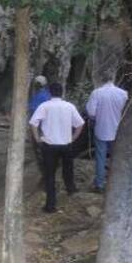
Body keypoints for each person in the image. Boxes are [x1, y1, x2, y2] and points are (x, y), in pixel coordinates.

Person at [29, 83, 85, 213]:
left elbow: (33, 123)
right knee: (68, 169)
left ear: (49, 92)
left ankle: (50, 205)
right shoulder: (69, 106)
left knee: (50, 175)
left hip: (49, 145)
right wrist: (73, 138)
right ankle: (71, 189)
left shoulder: (45, 106)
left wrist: (37, 138)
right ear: (62, 92)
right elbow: (80, 124)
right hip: (66, 144)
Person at [86, 74, 128, 192]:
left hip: (101, 130)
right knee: (117, 156)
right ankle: (115, 182)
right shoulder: (123, 94)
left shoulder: (97, 93)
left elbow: (91, 112)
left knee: (100, 157)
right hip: (118, 131)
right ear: (113, 80)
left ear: (102, 80)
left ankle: (100, 184)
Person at [28, 75, 51, 181]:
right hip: (47, 126)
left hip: (39, 127)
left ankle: (43, 174)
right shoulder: (48, 95)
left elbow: (32, 110)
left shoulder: (39, 96)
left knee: (40, 150)